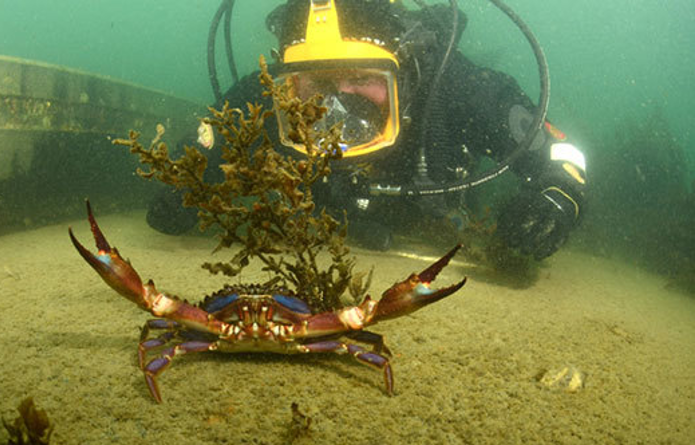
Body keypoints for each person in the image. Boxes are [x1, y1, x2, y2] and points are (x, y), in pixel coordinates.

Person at [146, 0, 588, 260]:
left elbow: (561, 153)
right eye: (317, 85)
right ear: (287, 81)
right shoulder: (266, 96)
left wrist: (557, 199)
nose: (338, 106)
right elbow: (205, 141)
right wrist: (185, 185)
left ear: (406, 75)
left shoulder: (458, 89)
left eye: (361, 80)